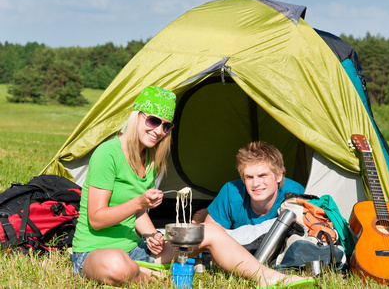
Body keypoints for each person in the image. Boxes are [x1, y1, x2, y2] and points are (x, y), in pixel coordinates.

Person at [71, 86, 313, 288]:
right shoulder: (108, 154)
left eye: (166, 126)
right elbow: (97, 219)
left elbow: (137, 213)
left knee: (208, 232)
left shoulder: (151, 158)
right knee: (116, 265)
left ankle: (269, 278)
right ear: (137, 115)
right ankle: (154, 275)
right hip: (95, 251)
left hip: (138, 250)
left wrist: (150, 234)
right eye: (153, 121)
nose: (158, 131)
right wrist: (140, 203)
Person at [193, 141, 305, 229]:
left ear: (279, 176)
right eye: (249, 177)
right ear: (243, 179)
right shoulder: (231, 191)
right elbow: (210, 233)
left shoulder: (295, 194)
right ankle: (212, 212)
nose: (255, 184)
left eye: (262, 176)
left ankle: (211, 212)